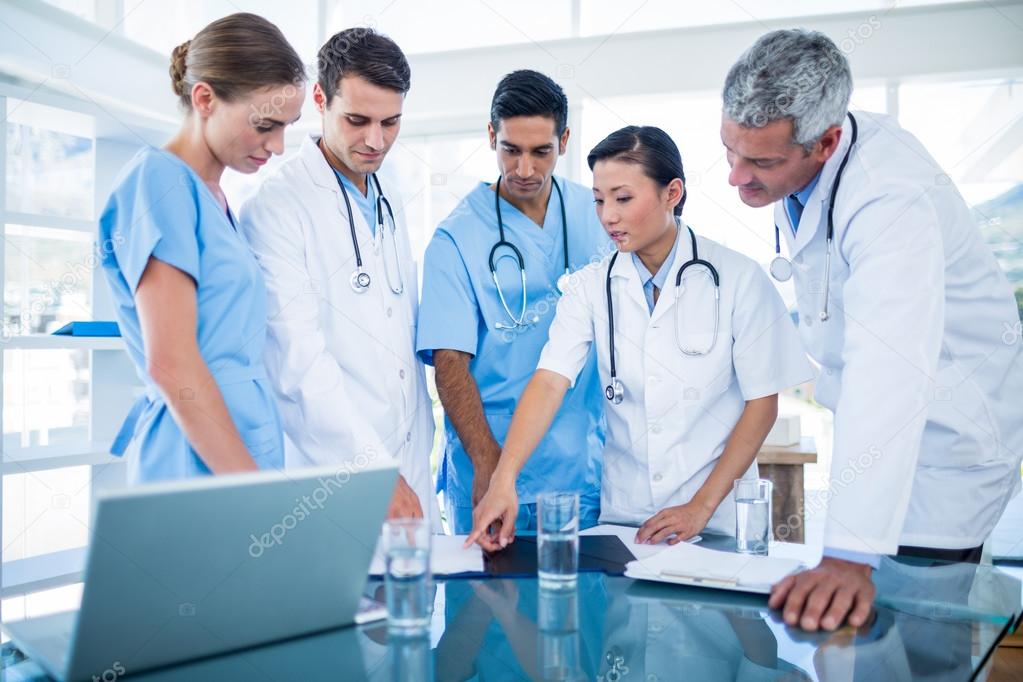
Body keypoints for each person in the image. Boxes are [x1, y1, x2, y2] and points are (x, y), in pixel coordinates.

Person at [720, 29, 1023, 631]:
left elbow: (890, 368)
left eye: (762, 162)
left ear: (827, 142)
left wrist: (849, 553)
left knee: (918, 643)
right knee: (877, 640)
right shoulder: (811, 159)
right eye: (731, 151)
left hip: (948, 445)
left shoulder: (890, 196)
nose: (737, 177)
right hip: (890, 444)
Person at [467, 126, 813, 551]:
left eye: (623, 198)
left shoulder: (739, 280)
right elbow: (550, 380)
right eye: (598, 199)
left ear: (672, 193)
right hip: (625, 523)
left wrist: (700, 507)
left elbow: (763, 404)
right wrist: (504, 479)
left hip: (714, 524)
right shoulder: (590, 286)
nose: (607, 215)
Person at [98, 13, 305, 482]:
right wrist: (248, 486)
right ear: (205, 98)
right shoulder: (159, 181)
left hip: (241, 446)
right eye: (265, 125)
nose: (277, 145)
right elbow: (171, 361)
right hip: (194, 456)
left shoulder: (217, 201)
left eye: (287, 127)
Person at [240, 28, 434, 521]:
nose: (376, 140)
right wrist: (373, 473)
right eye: (357, 120)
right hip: (332, 481)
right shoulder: (277, 208)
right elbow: (296, 366)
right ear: (320, 99)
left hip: (410, 471)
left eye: (391, 122)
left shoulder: (388, 196)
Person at [416, 70, 609, 534]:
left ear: (564, 140)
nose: (525, 169)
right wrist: (489, 467)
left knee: (582, 605)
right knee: (487, 605)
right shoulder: (455, 237)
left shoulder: (599, 213)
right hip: (490, 458)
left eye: (541, 152)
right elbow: (449, 364)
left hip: (581, 467)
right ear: (491, 137)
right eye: (511, 150)